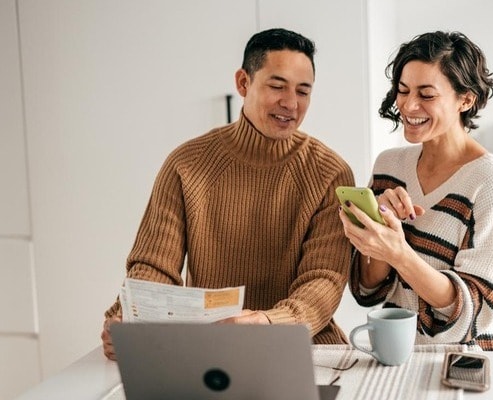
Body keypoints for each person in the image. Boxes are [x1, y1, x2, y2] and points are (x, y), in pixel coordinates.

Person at [101, 28, 355, 360]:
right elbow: (154, 267)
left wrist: (268, 323)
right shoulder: (186, 164)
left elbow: (324, 281)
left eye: (303, 91)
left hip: (304, 350)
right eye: (277, 86)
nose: (291, 103)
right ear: (243, 83)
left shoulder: (330, 173)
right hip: (211, 349)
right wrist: (130, 316)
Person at [338, 31, 493, 351]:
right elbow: (367, 291)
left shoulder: (492, 181)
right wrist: (381, 230)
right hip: (404, 352)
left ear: (465, 99)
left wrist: (399, 253)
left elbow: (470, 315)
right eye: (402, 90)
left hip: (475, 359)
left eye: (426, 94)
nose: (408, 105)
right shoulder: (389, 165)